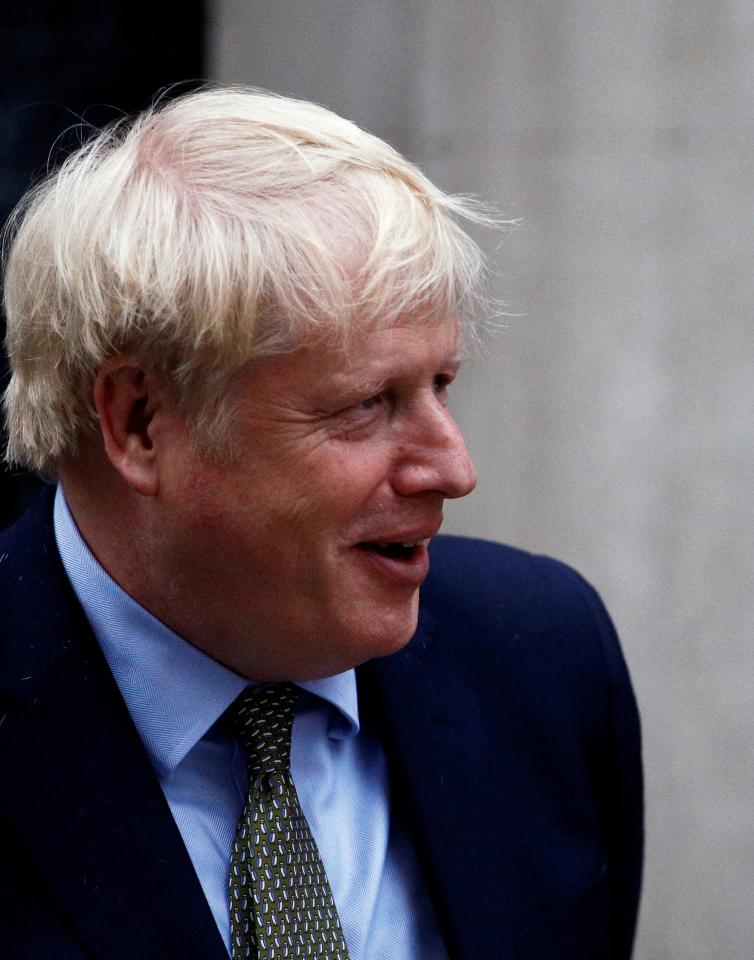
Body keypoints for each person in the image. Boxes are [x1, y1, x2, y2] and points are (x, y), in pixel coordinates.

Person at [0, 86, 642, 959]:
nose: (453, 469)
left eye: (440, 385)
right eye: (367, 404)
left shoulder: (541, 657)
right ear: (141, 422)